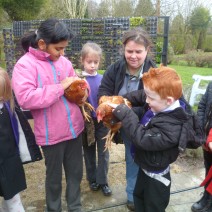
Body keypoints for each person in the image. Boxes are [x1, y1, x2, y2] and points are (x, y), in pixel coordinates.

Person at [108, 65, 203, 212]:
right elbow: (141, 95)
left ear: (169, 100)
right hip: (145, 167)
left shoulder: (173, 127)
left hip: (157, 179)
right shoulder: (160, 104)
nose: (146, 100)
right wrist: (123, 100)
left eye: (150, 97)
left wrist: (125, 113)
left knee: (153, 207)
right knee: (139, 197)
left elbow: (142, 138)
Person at [12, 18, 84, 212]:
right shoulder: (24, 66)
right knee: (53, 179)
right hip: (51, 135)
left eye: (64, 49)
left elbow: (73, 91)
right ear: (42, 44)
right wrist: (60, 87)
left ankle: (75, 207)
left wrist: (81, 92)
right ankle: (54, 209)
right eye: (58, 49)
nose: (62, 53)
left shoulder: (64, 62)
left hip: (75, 128)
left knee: (76, 174)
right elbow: (26, 98)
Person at [98, 27, 156, 210]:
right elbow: (103, 92)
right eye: (129, 51)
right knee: (131, 159)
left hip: (144, 124)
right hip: (117, 121)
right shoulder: (115, 68)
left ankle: (142, 194)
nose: (133, 56)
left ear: (147, 51)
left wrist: (128, 116)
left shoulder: (154, 72)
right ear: (123, 49)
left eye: (138, 51)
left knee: (142, 159)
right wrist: (109, 110)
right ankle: (132, 194)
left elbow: (151, 103)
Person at [80, 42, 112, 196]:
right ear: (82, 61)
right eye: (89, 62)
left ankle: (103, 181)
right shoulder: (78, 80)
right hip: (87, 123)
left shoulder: (103, 79)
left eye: (96, 62)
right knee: (89, 151)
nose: (92, 65)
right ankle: (92, 179)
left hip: (103, 122)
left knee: (104, 151)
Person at [0, 68, 26, 212]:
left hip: (10, 161)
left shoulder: (8, 108)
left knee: (13, 197)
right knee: (9, 196)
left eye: (2, 94)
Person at [191, 82, 212, 212]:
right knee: (208, 168)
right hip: (207, 138)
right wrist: (201, 129)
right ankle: (206, 196)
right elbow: (203, 105)